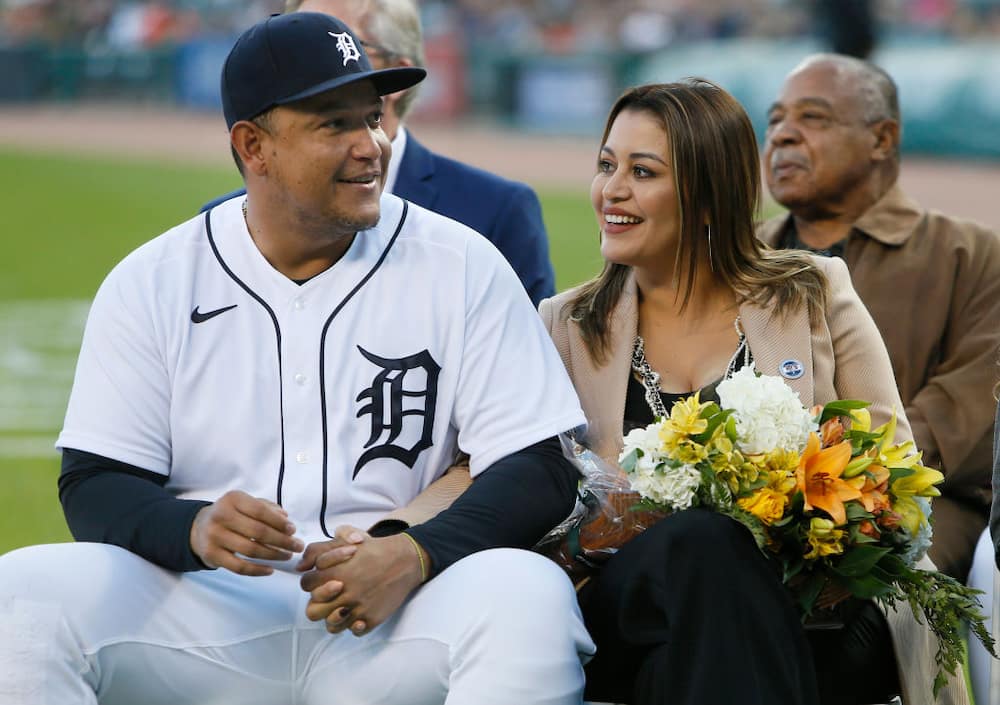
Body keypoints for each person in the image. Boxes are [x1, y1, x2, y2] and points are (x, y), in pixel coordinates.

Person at [0, 13, 596, 704]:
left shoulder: (460, 262)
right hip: (208, 608)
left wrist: (416, 552)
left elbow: (540, 462)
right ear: (253, 145)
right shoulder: (154, 278)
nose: (369, 145)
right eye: (333, 124)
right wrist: (189, 526)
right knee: (24, 591)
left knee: (528, 595)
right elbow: (96, 480)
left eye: (371, 117)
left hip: (402, 608)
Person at [538, 81, 969, 705]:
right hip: (631, 601)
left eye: (642, 171)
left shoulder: (812, 290)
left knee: (694, 653)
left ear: (711, 194)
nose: (612, 191)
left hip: (817, 606)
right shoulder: (566, 323)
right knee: (703, 546)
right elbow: (532, 501)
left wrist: (814, 530)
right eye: (606, 165)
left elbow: (894, 471)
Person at [759, 53, 1000, 583]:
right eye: (775, 120)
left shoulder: (973, 254)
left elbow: (971, 410)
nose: (782, 135)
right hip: (752, 502)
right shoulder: (738, 258)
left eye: (812, 118)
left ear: (882, 138)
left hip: (917, 507)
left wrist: (843, 476)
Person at [201, 0, 556, 308]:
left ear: (395, 70)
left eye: (341, 40)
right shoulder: (221, 228)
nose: (308, 56)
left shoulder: (496, 212)